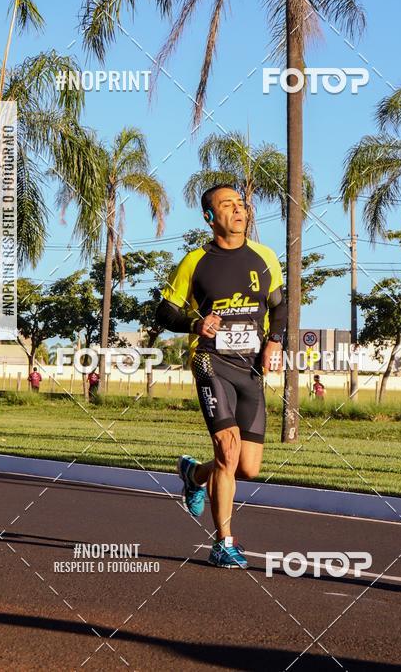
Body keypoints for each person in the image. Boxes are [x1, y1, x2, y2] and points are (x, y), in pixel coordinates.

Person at [156, 184, 286, 569]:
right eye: (227, 205)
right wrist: (197, 324)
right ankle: (224, 543)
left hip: (250, 367)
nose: (238, 210)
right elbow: (165, 312)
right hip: (210, 362)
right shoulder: (195, 262)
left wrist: (274, 342)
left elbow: (279, 306)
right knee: (227, 450)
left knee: (247, 467)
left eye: (241, 204)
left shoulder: (265, 257)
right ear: (210, 217)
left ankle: (194, 475)